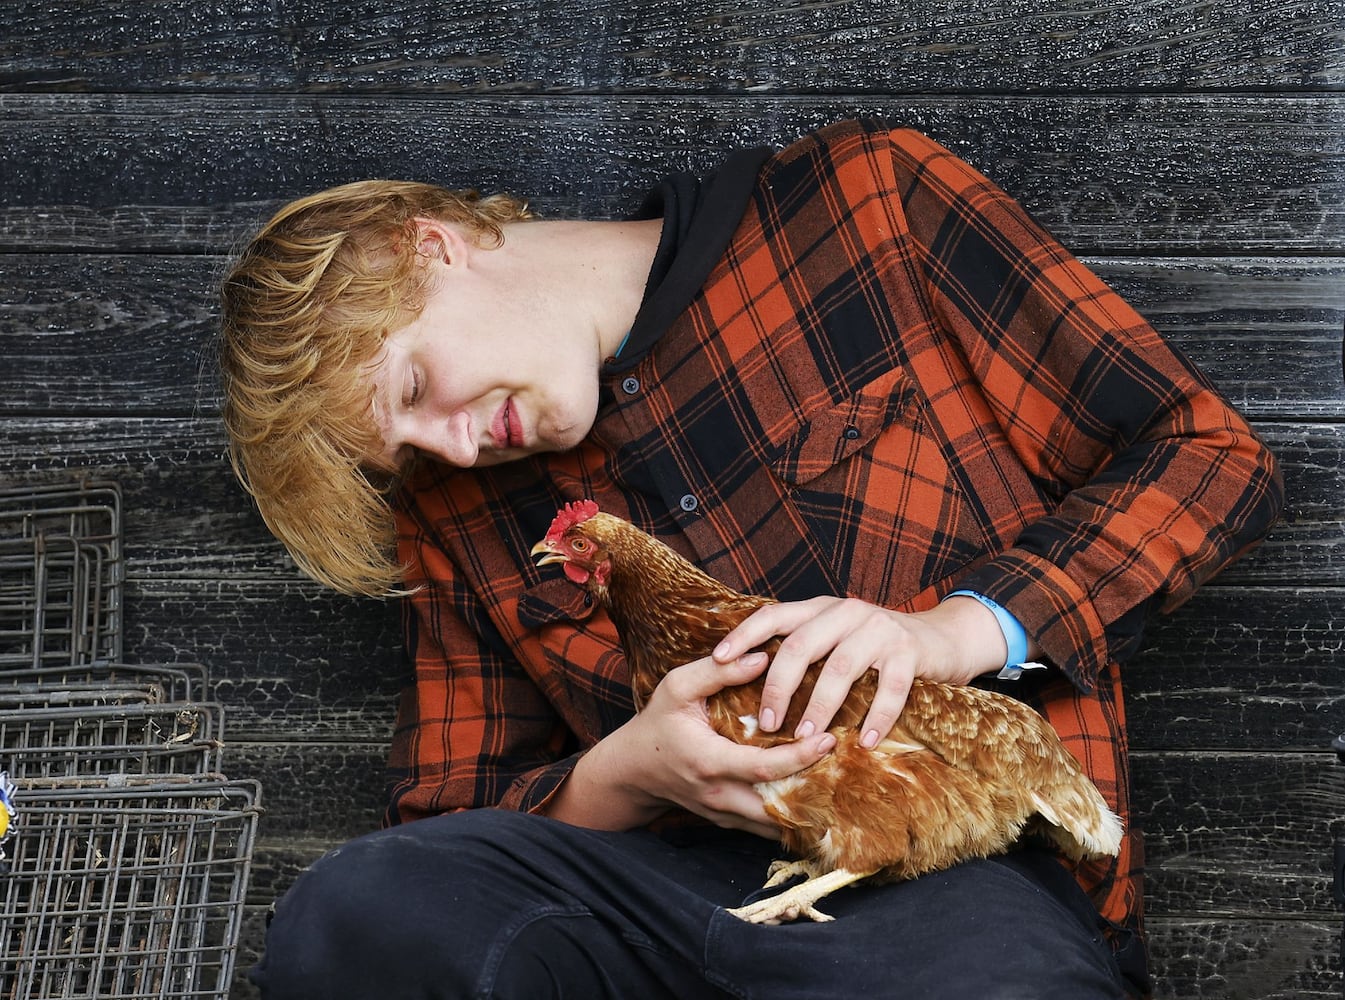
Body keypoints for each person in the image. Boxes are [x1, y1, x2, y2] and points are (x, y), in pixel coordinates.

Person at [218, 118, 1283, 999]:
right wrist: (623, 771)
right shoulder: (453, 501)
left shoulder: (866, 204)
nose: (448, 446)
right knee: (361, 909)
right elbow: (445, 830)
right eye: (407, 447)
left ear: (430, 248)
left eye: (413, 391)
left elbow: (1208, 455)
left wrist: (949, 629)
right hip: (643, 899)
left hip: (941, 883)